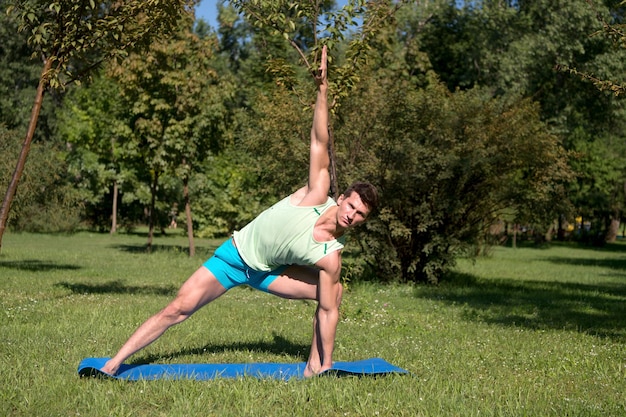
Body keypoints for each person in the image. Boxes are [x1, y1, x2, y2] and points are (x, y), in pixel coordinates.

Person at [100, 45, 379, 378]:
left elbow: (329, 311)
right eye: (351, 206)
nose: (351, 215)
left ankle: (316, 368)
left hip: (268, 273)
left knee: (332, 291)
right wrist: (322, 90)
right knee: (178, 308)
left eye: (360, 215)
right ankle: (113, 363)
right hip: (234, 258)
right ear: (342, 196)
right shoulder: (317, 193)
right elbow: (319, 141)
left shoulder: (331, 256)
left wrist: (330, 366)